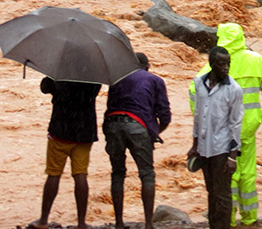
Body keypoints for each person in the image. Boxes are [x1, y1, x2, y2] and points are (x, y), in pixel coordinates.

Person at [193, 23, 262, 227]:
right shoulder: (256, 60)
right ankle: (249, 218)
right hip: (248, 128)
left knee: (225, 176)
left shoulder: (212, 64)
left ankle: (229, 219)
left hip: (221, 133)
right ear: (241, 36)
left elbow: (193, 94)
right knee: (248, 174)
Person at [103, 53, 171, 229]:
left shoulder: (116, 79)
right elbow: (164, 114)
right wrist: (155, 132)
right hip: (138, 126)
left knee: (117, 173)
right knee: (146, 174)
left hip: (113, 123)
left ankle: (118, 223)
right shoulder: (155, 80)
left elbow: (110, 105)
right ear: (147, 67)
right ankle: (148, 223)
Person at [27, 78, 101, 229]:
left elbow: (45, 87)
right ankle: (81, 223)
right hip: (84, 131)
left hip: (61, 128)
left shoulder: (61, 74)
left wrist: (51, 76)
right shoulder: (95, 76)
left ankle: (43, 220)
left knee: (53, 174)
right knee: (80, 174)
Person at [189, 46, 243, 229]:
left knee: (223, 195)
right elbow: (198, 116)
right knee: (211, 192)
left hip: (222, 149)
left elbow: (236, 124)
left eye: (228, 64)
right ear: (211, 64)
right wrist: (194, 145)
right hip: (204, 148)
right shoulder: (199, 83)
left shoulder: (234, 89)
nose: (226, 68)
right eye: (221, 64)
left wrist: (232, 157)